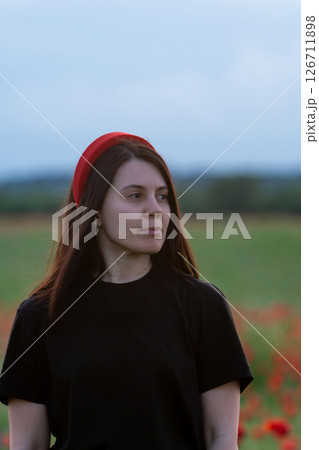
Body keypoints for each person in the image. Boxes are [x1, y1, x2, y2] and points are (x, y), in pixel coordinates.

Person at [0, 132, 253, 450]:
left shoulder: (203, 306)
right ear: (92, 209)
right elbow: (28, 445)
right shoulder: (39, 315)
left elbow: (221, 438)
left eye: (162, 196)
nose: (156, 210)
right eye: (135, 196)